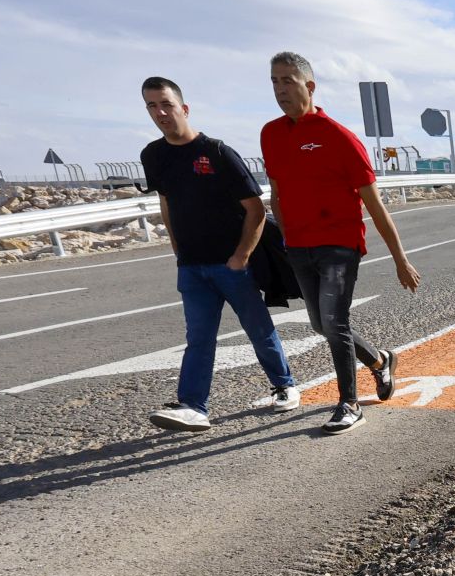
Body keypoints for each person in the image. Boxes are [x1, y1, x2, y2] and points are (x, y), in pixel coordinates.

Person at [260, 51, 421, 434]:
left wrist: (401, 259)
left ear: (309, 86)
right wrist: (284, 235)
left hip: (339, 245)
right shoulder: (271, 134)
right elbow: (277, 194)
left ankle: (349, 403)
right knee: (321, 325)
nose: (281, 89)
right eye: (274, 82)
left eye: (288, 81)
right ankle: (380, 361)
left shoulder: (339, 138)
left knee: (335, 321)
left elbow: (375, 205)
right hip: (298, 246)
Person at [138, 75, 299, 432]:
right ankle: (194, 406)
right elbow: (166, 202)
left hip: (231, 265)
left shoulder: (217, 152)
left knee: (258, 329)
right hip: (192, 268)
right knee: (198, 339)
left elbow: (256, 209)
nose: (160, 112)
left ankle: (285, 385)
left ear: (184, 107)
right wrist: (177, 247)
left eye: (166, 103)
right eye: (152, 105)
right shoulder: (153, 155)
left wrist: (240, 256)